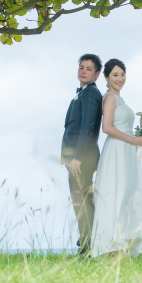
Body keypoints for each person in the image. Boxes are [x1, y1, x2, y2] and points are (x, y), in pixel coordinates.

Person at [91, 58, 142, 258]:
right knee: (117, 194)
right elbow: (107, 127)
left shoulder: (121, 99)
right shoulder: (109, 98)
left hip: (126, 151)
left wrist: (141, 137)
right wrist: (133, 140)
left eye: (122, 74)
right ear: (106, 77)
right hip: (116, 150)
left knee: (130, 195)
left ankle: (124, 244)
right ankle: (112, 247)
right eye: (115, 75)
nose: (120, 78)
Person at [61, 53, 104, 256]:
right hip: (77, 158)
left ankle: (87, 247)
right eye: (81, 67)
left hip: (83, 158)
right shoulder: (83, 92)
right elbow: (71, 127)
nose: (83, 71)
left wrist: (77, 157)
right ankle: (88, 243)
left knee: (82, 202)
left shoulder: (90, 94)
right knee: (82, 201)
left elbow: (87, 128)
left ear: (96, 75)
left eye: (88, 69)